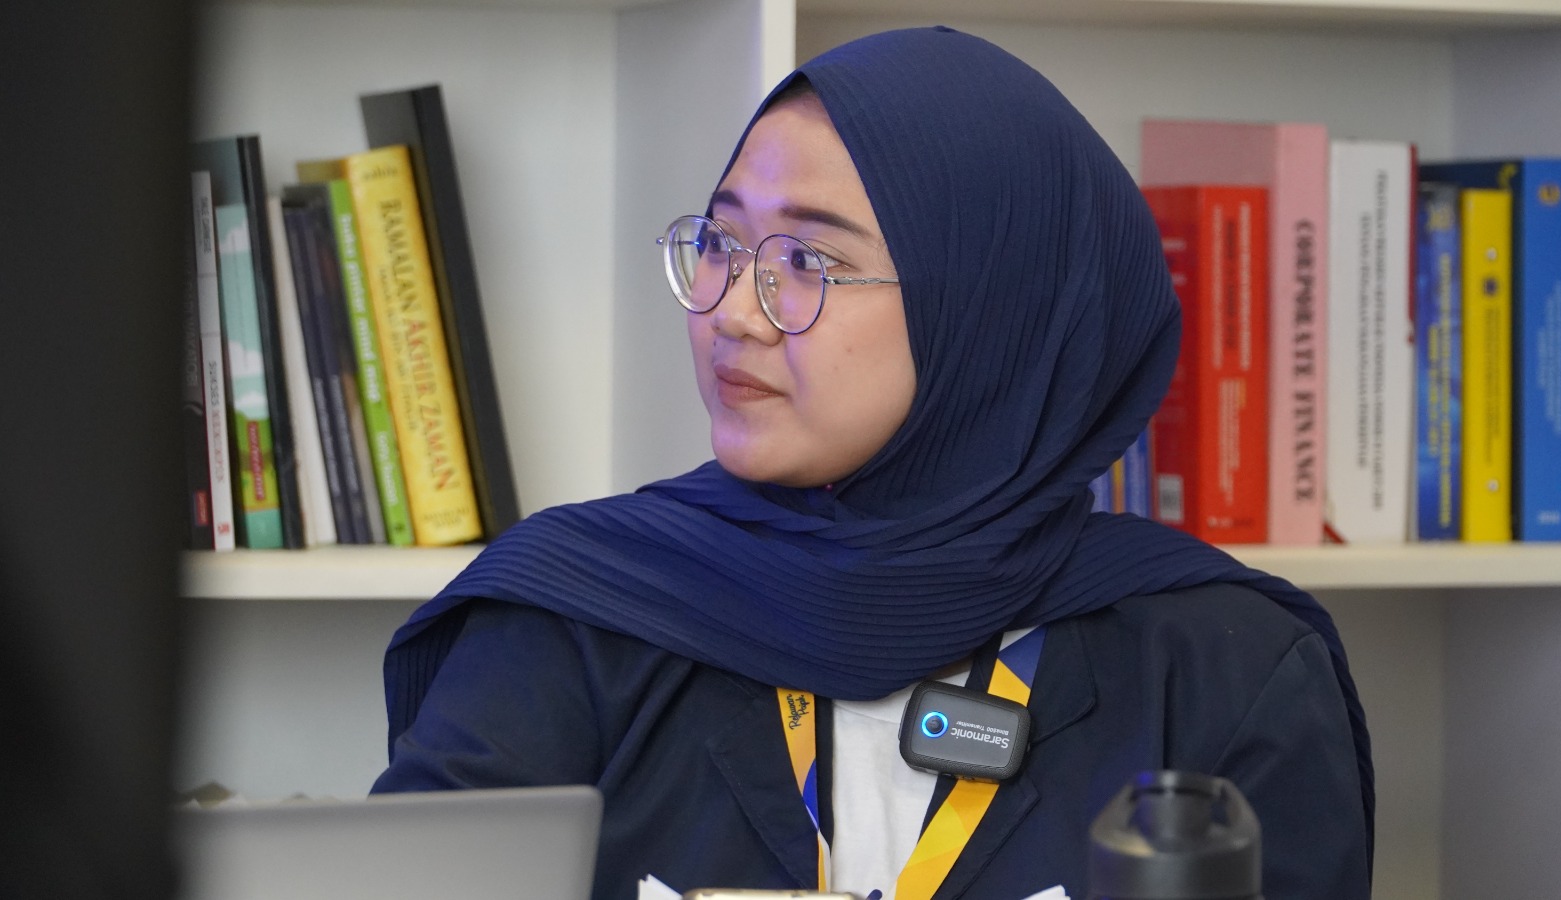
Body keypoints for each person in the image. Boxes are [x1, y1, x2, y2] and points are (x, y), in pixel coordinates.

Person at [373, 26, 1372, 900]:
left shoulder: (1221, 667)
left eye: (807, 263)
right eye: (723, 242)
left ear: (988, 311)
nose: (732, 312)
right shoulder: (569, 619)